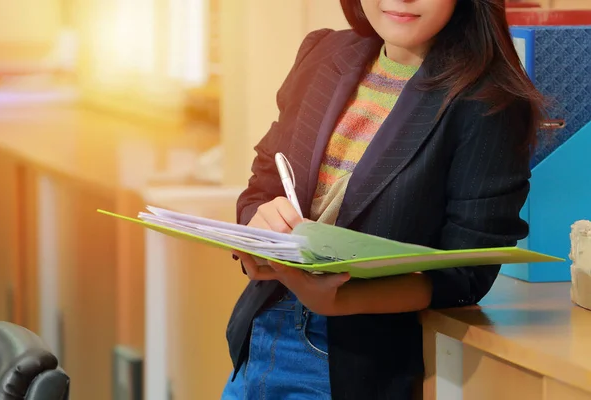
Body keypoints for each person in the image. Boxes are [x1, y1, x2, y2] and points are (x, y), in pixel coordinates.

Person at [222, 0, 545, 399]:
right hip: (258, 341)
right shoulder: (324, 52)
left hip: (351, 362)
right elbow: (264, 181)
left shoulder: (487, 103)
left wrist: (339, 299)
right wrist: (257, 228)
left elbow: (466, 275)